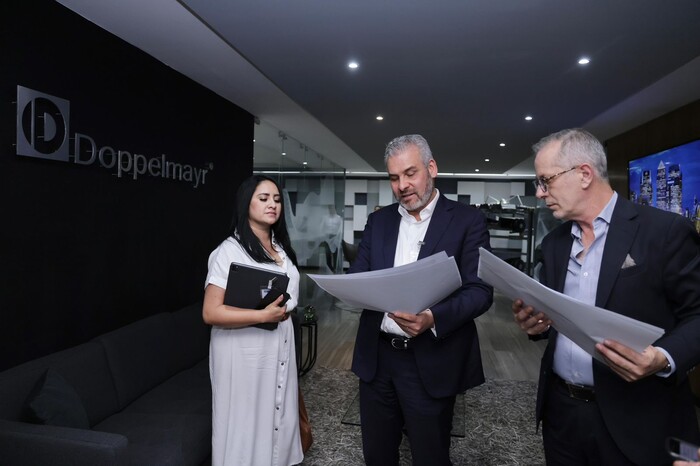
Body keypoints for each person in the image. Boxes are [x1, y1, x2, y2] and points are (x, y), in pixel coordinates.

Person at [512, 128, 700, 465]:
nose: (540, 193)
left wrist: (662, 358)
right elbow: (561, 316)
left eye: (545, 181)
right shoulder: (554, 244)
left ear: (583, 174)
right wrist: (537, 325)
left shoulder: (664, 232)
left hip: (637, 417)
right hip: (562, 412)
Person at [349, 134, 494, 465]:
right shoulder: (379, 220)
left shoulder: (466, 220)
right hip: (377, 358)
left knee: (430, 454)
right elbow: (359, 276)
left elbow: (480, 291)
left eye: (410, 173)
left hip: (431, 358)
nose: (402, 185)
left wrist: (433, 317)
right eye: (394, 177)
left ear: (432, 168)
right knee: (377, 454)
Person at [202, 175, 303, 466]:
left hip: (278, 343)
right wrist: (262, 315)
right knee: (245, 426)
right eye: (263, 198)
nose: (272, 204)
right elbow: (210, 312)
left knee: (276, 416)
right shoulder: (228, 251)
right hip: (242, 352)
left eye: (276, 199)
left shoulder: (280, 248)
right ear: (246, 203)